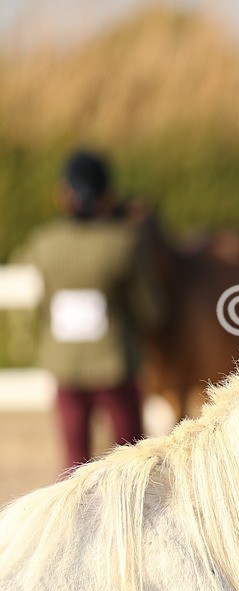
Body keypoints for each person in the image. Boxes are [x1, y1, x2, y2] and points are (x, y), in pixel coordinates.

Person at [11, 151, 164, 472]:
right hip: (114, 366)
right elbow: (150, 310)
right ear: (107, 194)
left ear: (63, 194)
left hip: (64, 365)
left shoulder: (44, 242)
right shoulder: (124, 242)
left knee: (72, 466)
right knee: (130, 461)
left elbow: (41, 302)